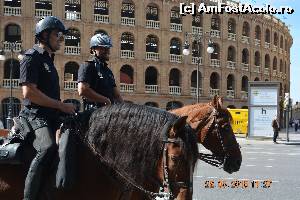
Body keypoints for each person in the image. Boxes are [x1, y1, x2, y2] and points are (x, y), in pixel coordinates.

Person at [19, 16, 76, 200]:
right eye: (57, 34)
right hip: (34, 116)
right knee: (48, 147)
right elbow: (29, 93)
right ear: (44, 35)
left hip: (51, 115)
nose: (61, 39)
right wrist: (60, 105)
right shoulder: (31, 57)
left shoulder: (49, 60)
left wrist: (64, 109)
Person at [77, 33, 123, 110]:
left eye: (108, 48)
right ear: (93, 49)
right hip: (94, 113)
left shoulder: (108, 71)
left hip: (108, 112)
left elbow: (117, 95)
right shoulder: (88, 66)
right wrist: (105, 100)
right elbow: (83, 90)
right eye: (103, 48)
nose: (107, 51)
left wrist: (125, 110)